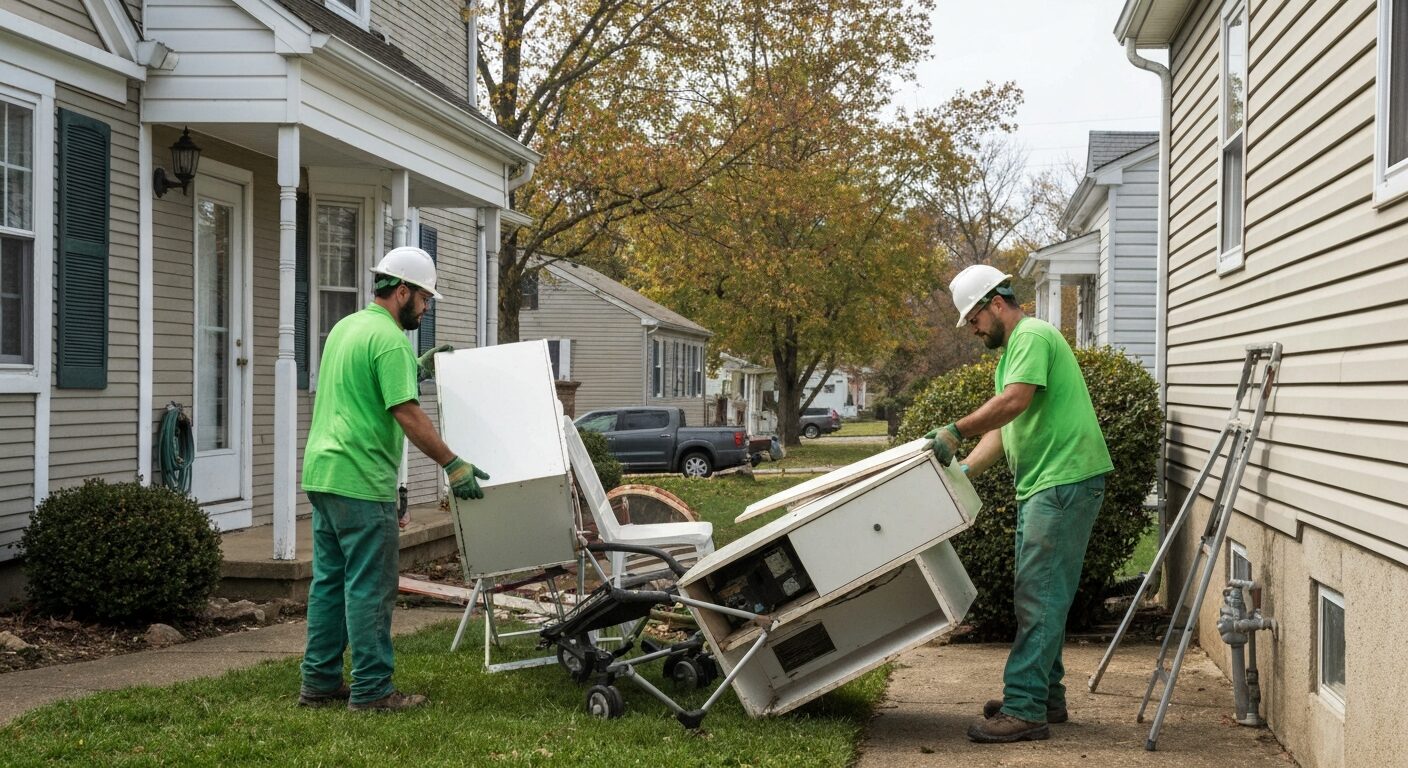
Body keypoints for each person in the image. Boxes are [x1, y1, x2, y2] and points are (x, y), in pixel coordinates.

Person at [297, 246, 490, 712]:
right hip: (361, 481)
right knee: (370, 586)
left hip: (323, 474)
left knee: (329, 582)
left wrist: (414, 368)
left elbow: (360, 385)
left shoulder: (346, 328)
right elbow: (406, 412)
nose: (425, 310)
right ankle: (372, 691)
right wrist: (453, 463)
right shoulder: (388, 341)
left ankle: (319, 683)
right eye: (424, 300)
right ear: (401, 291)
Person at [926, 264, 1113, 744]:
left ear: (995, 303)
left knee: (1039, 595)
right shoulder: (1013, 352)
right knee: (1041, 592)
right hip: (1048, 484)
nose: (972, 329)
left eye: (973, 318)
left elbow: (1013, 403)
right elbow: (1006, 426)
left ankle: (1025, 708)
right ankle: (1045, 696)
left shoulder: (1030, 335)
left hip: (1063, 481)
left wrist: (953, 429)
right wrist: (964, 469)